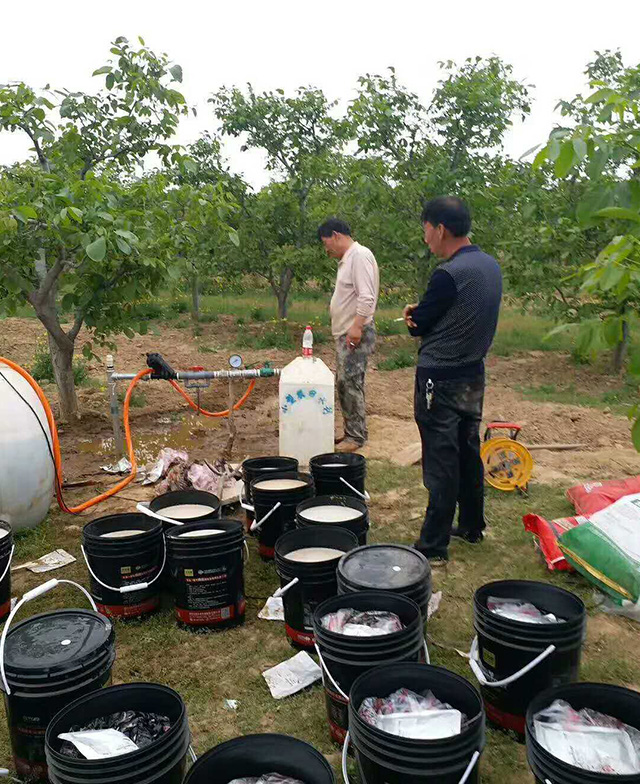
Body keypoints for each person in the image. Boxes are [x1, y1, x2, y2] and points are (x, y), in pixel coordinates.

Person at [404, 197, 502, 566]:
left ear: (440, 229)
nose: (425, 237)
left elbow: (422, 324)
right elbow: (460, 312)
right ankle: (473, 525)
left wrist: (414, 315)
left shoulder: (449, 273)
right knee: (466, 449)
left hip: (439, 379)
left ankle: (433, 545)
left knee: (441, 459)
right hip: (472, 374)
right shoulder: (489, 266)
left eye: (426, 229)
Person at [318, 218, 379, 453]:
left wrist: (356, 327)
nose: (326, 249)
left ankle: (356, 437)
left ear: (336, 235)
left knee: (349, 382)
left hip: (355, 331)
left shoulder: (359, 256)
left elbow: (366, 297)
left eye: (326, 243)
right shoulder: (348, 260)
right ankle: (353, 431)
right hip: (347, 331)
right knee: (346, 382)